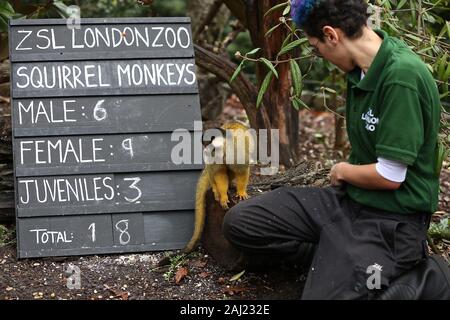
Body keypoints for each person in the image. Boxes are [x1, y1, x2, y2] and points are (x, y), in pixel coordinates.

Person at [222, 0, 450, 299]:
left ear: (331, 35)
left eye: (317, 47)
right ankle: (335, 259)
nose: (321, 55)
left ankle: (429, 280)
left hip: (391, 222)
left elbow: (390, 174)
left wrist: (342, 170)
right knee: (242, 223)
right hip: (347, 204)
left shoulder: (401, 77)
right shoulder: (361, 70)